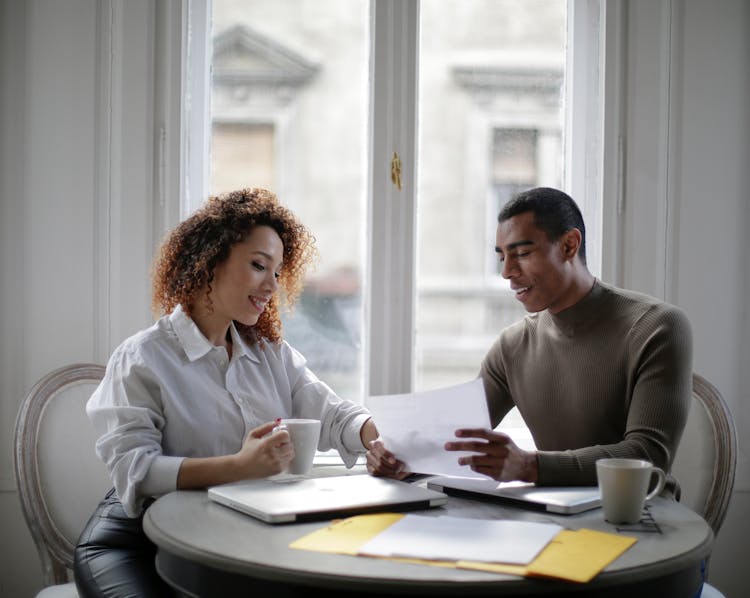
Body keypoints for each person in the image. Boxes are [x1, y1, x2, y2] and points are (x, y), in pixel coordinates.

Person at [74, 188, 380, 597]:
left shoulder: (269, 353)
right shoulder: (143, 357)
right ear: (210, 262)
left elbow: (336, 416)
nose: (272, 284)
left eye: (277, 272)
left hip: (229, 540)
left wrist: (380, 437)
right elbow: (136, 470)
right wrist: (239, 466)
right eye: (258, 266)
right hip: (134, 541)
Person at [367, 186, 693, 491]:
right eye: (502, 257)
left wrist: (528, 466)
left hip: (644, 521)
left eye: (521, 253)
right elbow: (455, 441)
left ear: (569, 245)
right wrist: (399, 458)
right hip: (560, 522)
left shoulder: (657, 326)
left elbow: (648, 456)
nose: (507, 272)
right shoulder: (513, 347)